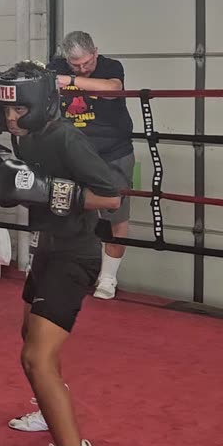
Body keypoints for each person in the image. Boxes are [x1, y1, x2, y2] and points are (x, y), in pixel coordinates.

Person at [0, 60, 122, 446]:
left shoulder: (67, 138)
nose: (12, 118)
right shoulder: (26, 139)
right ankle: (48, 408)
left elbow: (110, 197)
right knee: (27, 335)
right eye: (6, 110)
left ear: (43, 102)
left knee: (36, 356)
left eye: (20, 110)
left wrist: (50, 191)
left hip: (76, 255)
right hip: (48, 250)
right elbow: (28, 190)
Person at [47, 30, 135, 300]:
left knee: (115, 214)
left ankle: (108, 277)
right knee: (61, 208)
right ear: (65, 58)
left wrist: (71, 79)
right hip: (72, 153)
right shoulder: (55, 67)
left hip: (113, 152)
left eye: (87, 63)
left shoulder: (111, 66)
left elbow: (113, 89)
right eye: (76, 65)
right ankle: (60, 270)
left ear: (95, 52)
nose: (83, 68)